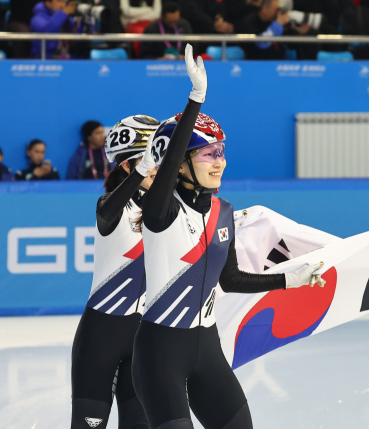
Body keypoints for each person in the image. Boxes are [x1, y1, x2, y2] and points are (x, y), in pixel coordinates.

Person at [131, 45, 324, 429]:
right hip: (159, 354)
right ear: (181, 162)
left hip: (207, 350)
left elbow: (230, 280)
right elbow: (166, 166)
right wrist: (196, 99)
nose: (219, 161)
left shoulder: (223, 211)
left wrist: (290, 278)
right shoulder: (160, 209)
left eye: (221, 152)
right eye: (207, 154)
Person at [71, 115, 161, 429]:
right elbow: (108, 208)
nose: (159, 167)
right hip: (101, 336)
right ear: (128, 166)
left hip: (143, 338)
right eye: (152, 159)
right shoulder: (111, 206)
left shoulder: (170, 212)